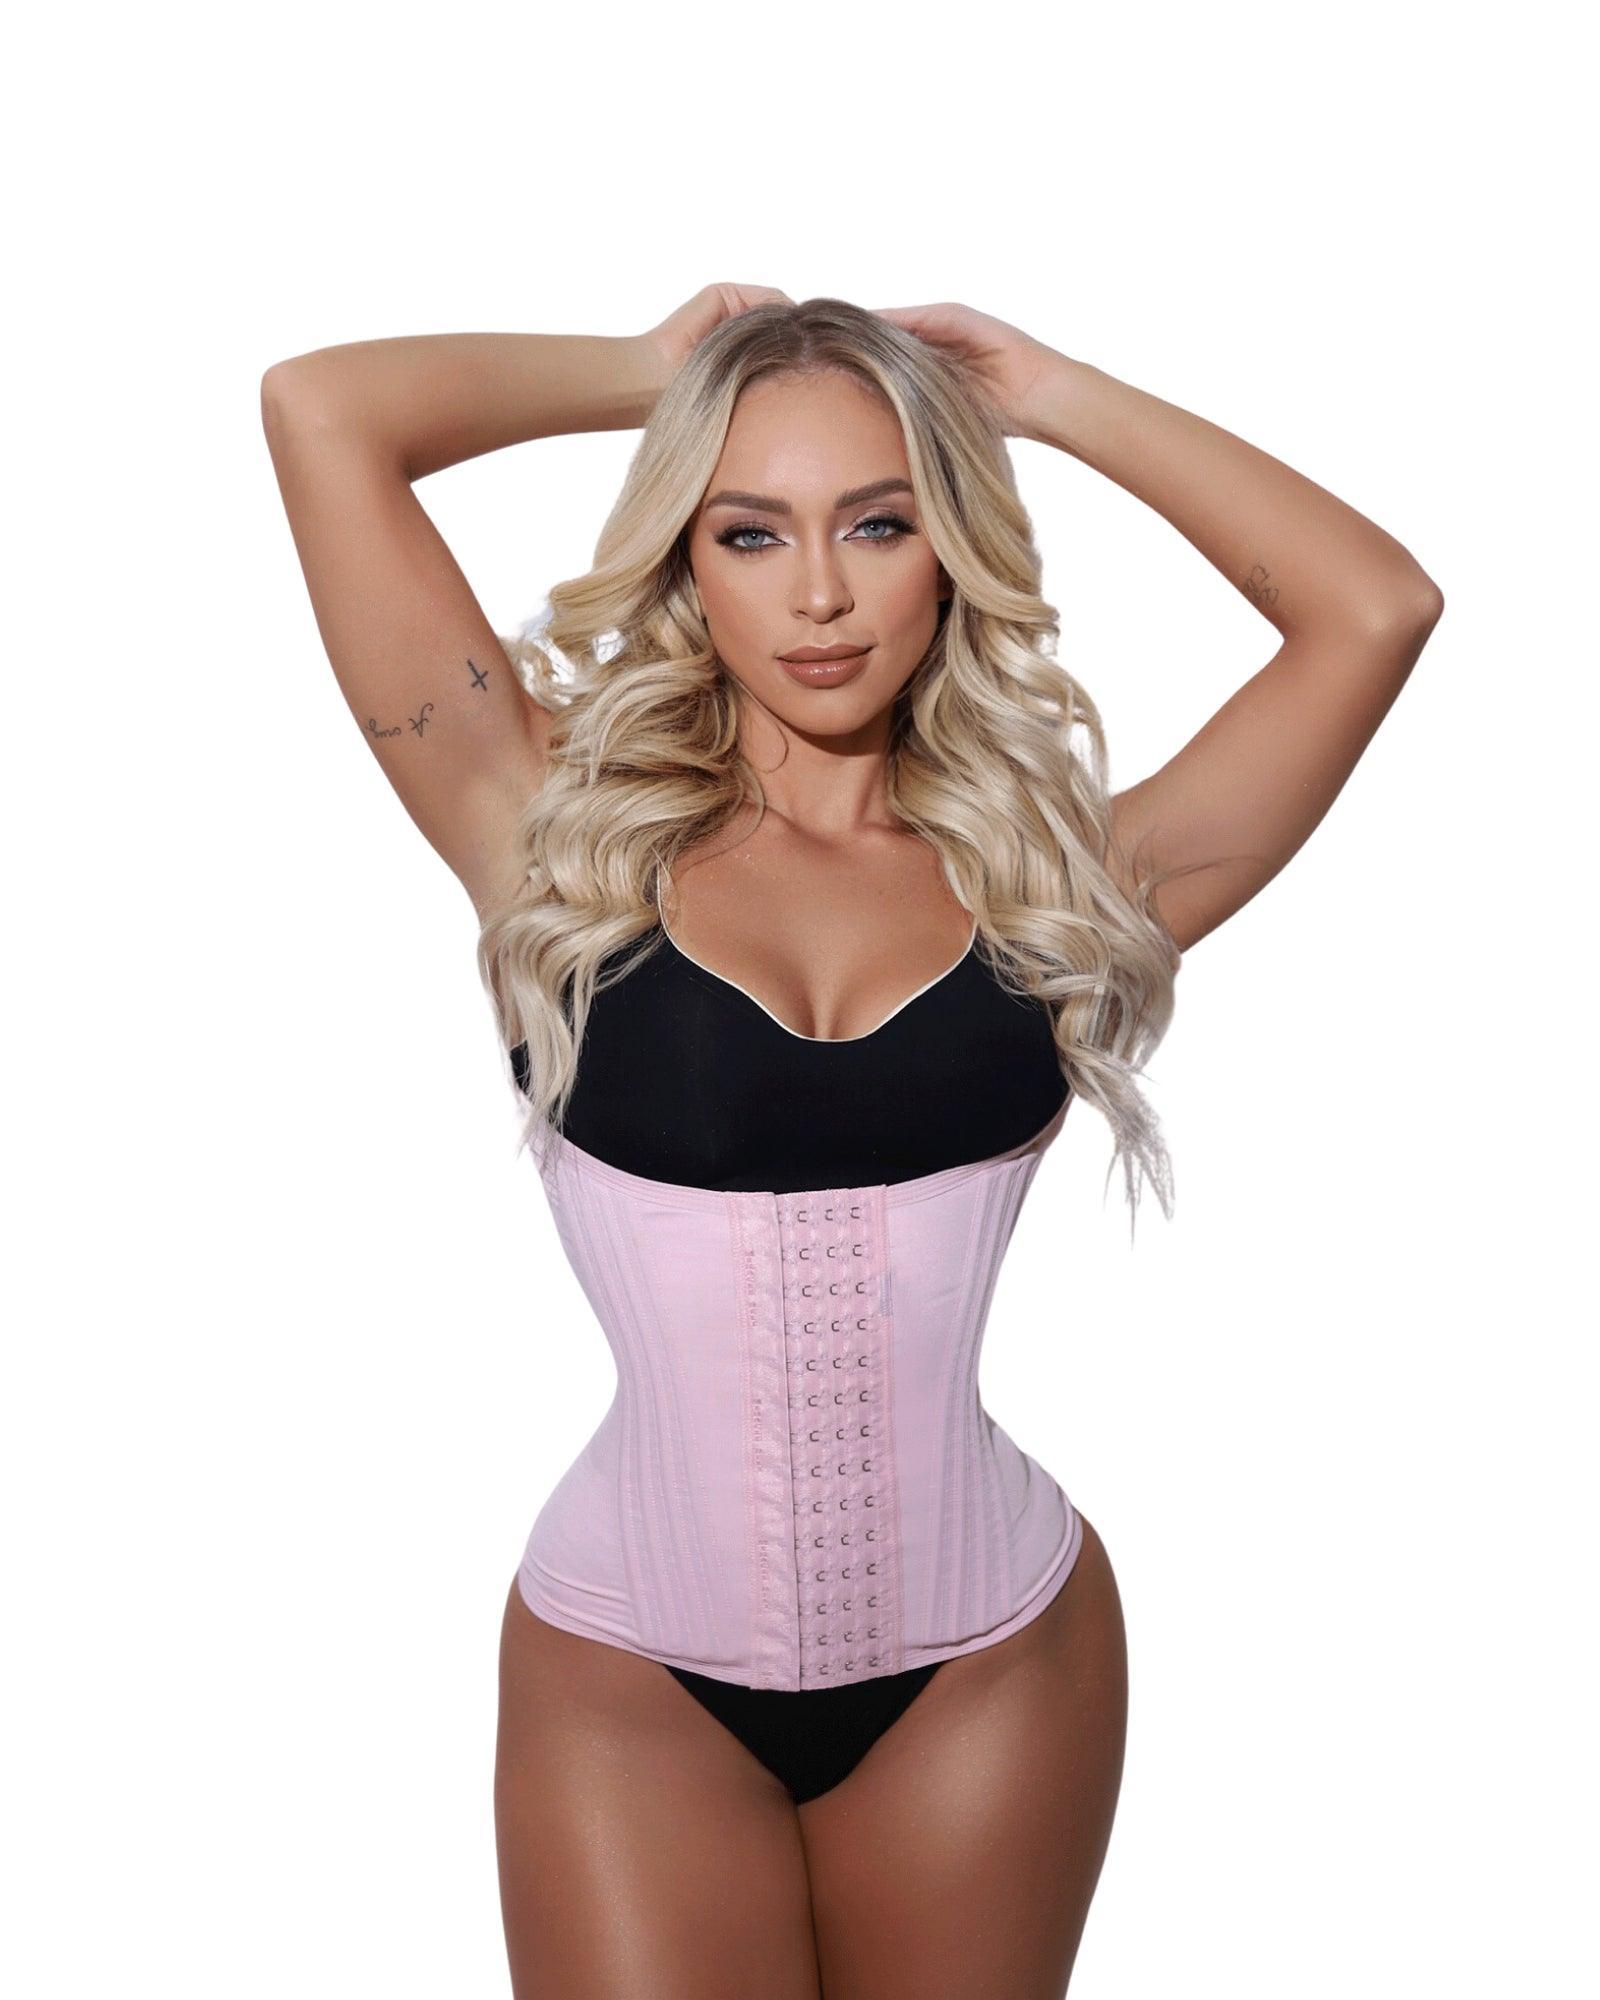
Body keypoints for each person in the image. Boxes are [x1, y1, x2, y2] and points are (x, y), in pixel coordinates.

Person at [260, 286, 1443, 1998]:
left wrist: (1042, 393)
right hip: (629, 1681)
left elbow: (1376, 607)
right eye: (750, 531)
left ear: (949, 547)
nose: (818, 593)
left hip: (991, 1668)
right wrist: (653, 375)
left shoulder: (1064, 892)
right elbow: (321, 411)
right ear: (688, 560)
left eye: (880, 523)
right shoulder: (541, 835)